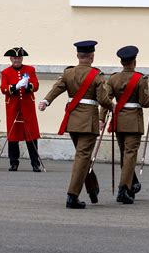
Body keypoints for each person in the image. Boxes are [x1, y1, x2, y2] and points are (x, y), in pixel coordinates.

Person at [39, 40, 114, 209]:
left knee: (83, 157)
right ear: (92, 56)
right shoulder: (97, 75)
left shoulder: (69, 73)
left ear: (78, 55)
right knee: (82, 157)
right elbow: (103, 99)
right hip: (88, 122)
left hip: (72, 120)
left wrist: (46, 101)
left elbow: (57, 88)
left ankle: (92, 187)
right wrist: (112, 107)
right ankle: (72, 195)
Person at [99, 45, 149, 204]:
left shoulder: (113, 78)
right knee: (130, 154)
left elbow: (106, 100)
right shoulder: (140, 78)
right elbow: (144, 102)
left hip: (119, 120)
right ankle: (124, 189)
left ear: (122, 61)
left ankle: (133, 183)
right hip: (133, 121)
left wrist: (102, 119)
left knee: (125, 154)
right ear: (134, 62)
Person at [0, 47, 41, 172]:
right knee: (13, 135)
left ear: (22, 58)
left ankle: (35, 163)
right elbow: (3, 88)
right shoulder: (6, 72)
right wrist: (15, 86)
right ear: (11, 59)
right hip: (13, 106)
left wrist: (28, 85)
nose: (16, 60)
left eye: (19, 58)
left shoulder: (30, 69)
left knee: (31, 134)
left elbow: (36, 85)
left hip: (27, 106)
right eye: (14, 58)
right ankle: (13, 163)